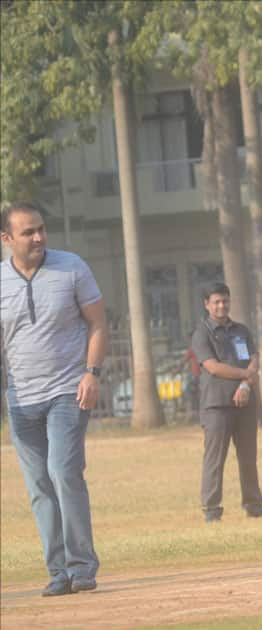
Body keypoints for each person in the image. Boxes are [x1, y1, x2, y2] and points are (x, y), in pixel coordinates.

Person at [1, 201, 107, 596]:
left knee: (63, 472)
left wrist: (92, 374)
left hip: (67, 390)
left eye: (41, 229)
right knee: (39, 486)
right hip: (21, 399)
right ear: (6, 239)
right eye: (28, 232)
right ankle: (59, 572)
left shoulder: (72, 267)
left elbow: (97, 323)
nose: (39, 237)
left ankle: (82, 566)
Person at [190, 282, 262, 523]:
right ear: (207, 304)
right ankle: (212, 510)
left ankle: (254, 505)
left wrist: (247, 384)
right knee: (215, 459)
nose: (221, 305)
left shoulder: (241, 331)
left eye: (225, 300)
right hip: (216, 405)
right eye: (216, 301)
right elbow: (213, 367)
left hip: (245, 402)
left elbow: (253, 358)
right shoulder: (202, 333)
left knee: (248, 456)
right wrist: (245, 376)